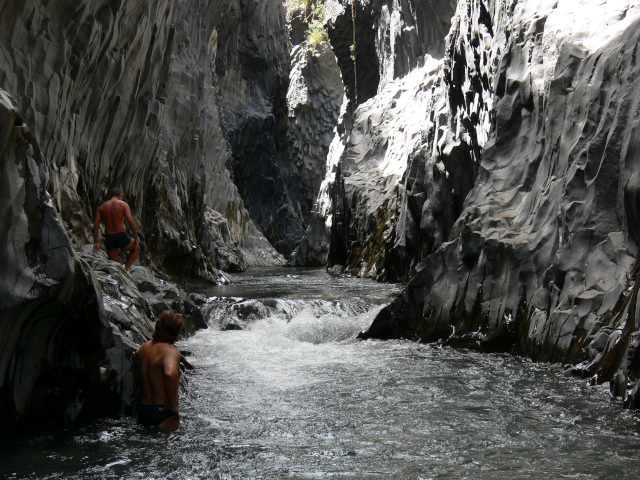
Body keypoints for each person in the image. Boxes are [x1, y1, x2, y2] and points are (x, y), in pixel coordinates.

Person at [134, 310, 184, 429]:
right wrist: (172, 406)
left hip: (144, 410)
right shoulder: (171, 351)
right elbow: (170, 373)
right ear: (177, 331)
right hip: (163, 410)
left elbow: (136, 354)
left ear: (158, 324)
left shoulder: (145, 347)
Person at [93, 187, 141, 271]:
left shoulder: (102, 207)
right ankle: (126, 269)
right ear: (120, 195)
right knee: (137, 248)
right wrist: (136, 238)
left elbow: (96, 224)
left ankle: (120, 273)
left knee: (115, 266)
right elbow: (130, 220)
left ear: (110, 196)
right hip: (121, 236)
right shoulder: (123, 204)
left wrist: (96, 242)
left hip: (109, 237)